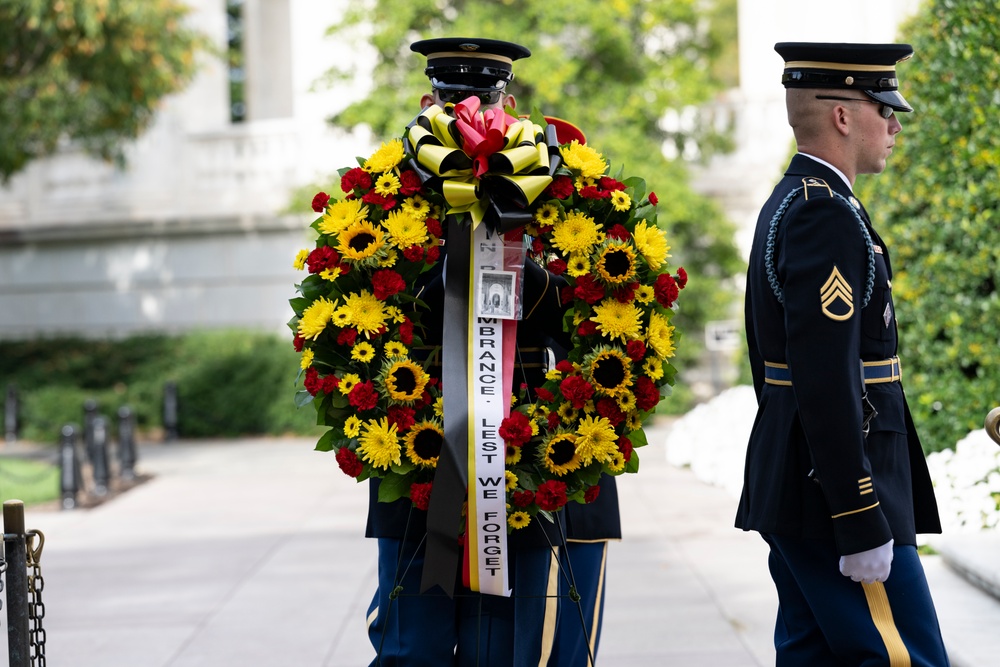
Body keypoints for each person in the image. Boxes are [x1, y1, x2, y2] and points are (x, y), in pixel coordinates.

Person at [364, 36, 618, 666]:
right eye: (454, 101)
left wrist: (530, 275)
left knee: (515, 655)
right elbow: (363, 329)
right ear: (428, 101)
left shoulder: (563, 185)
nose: (472, 113)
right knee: (411, 655)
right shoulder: (380, 196)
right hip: (425, 462)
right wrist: (439, 279)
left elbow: (602, 318)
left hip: (537, 458)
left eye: (488, 99)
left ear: (514, 105)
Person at [736, 42, 950, 665]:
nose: (895, 125)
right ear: (841, 116)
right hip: (835, 497)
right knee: (905, 656)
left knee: (812, 653)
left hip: (807, 487)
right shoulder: (822, 215)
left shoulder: (800, 201)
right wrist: (858, 512)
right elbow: (823, 376)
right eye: (885, 108)